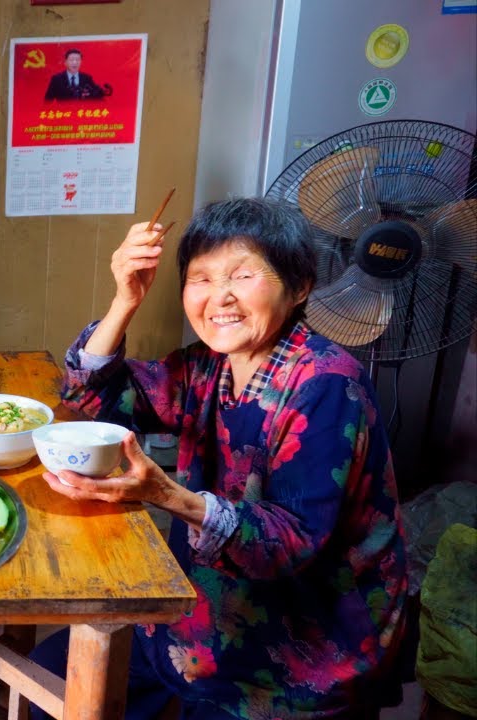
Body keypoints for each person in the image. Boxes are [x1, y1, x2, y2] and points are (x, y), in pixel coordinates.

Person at [29, 198, 408, 719]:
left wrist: (166, 495)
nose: (219, 297)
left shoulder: (326, 384)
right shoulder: (208, 367)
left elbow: (290, 541)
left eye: (243, 274)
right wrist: (124, 302)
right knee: (49, 678)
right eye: (201, 278)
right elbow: (98, 401)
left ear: (298, 288)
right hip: (200, 610)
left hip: (304, 646)